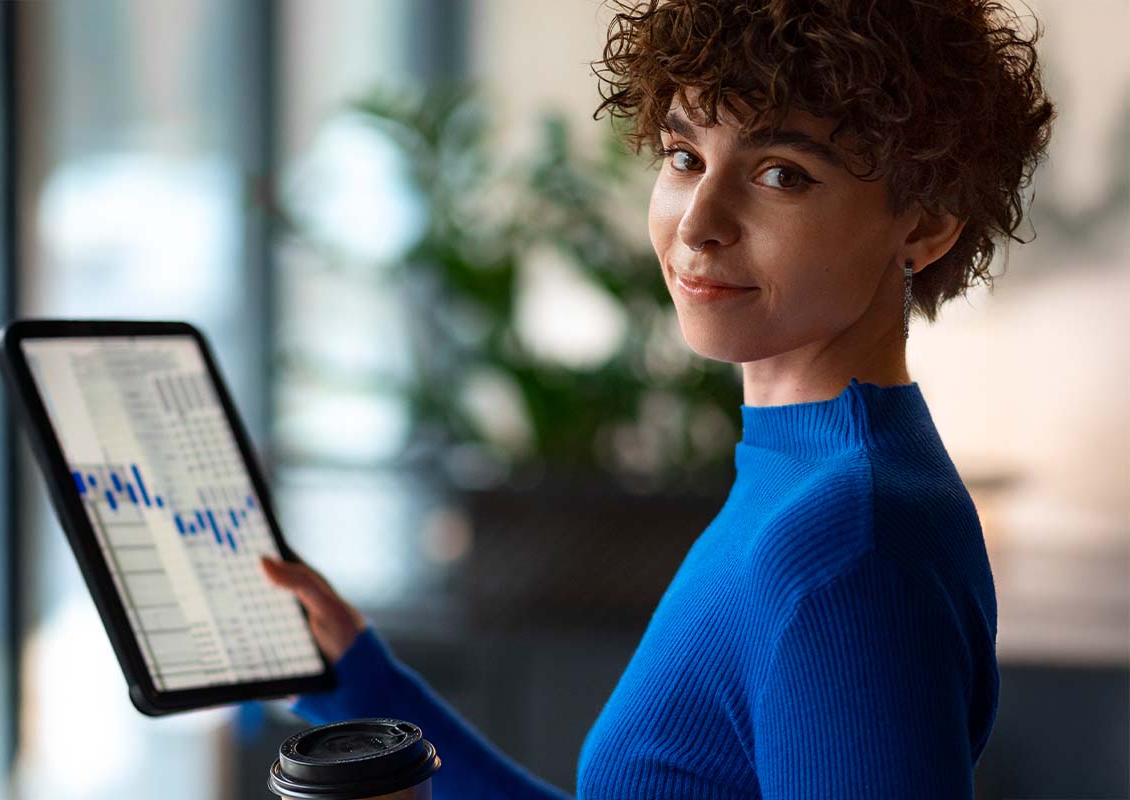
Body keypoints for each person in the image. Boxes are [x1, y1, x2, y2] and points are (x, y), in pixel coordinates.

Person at [263, 0, 1056, 796]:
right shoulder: (805, 479)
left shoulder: (848, 549)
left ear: (927, 223)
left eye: (782, 173)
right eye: (684, 156)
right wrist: (369, 689)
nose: (699, 222)